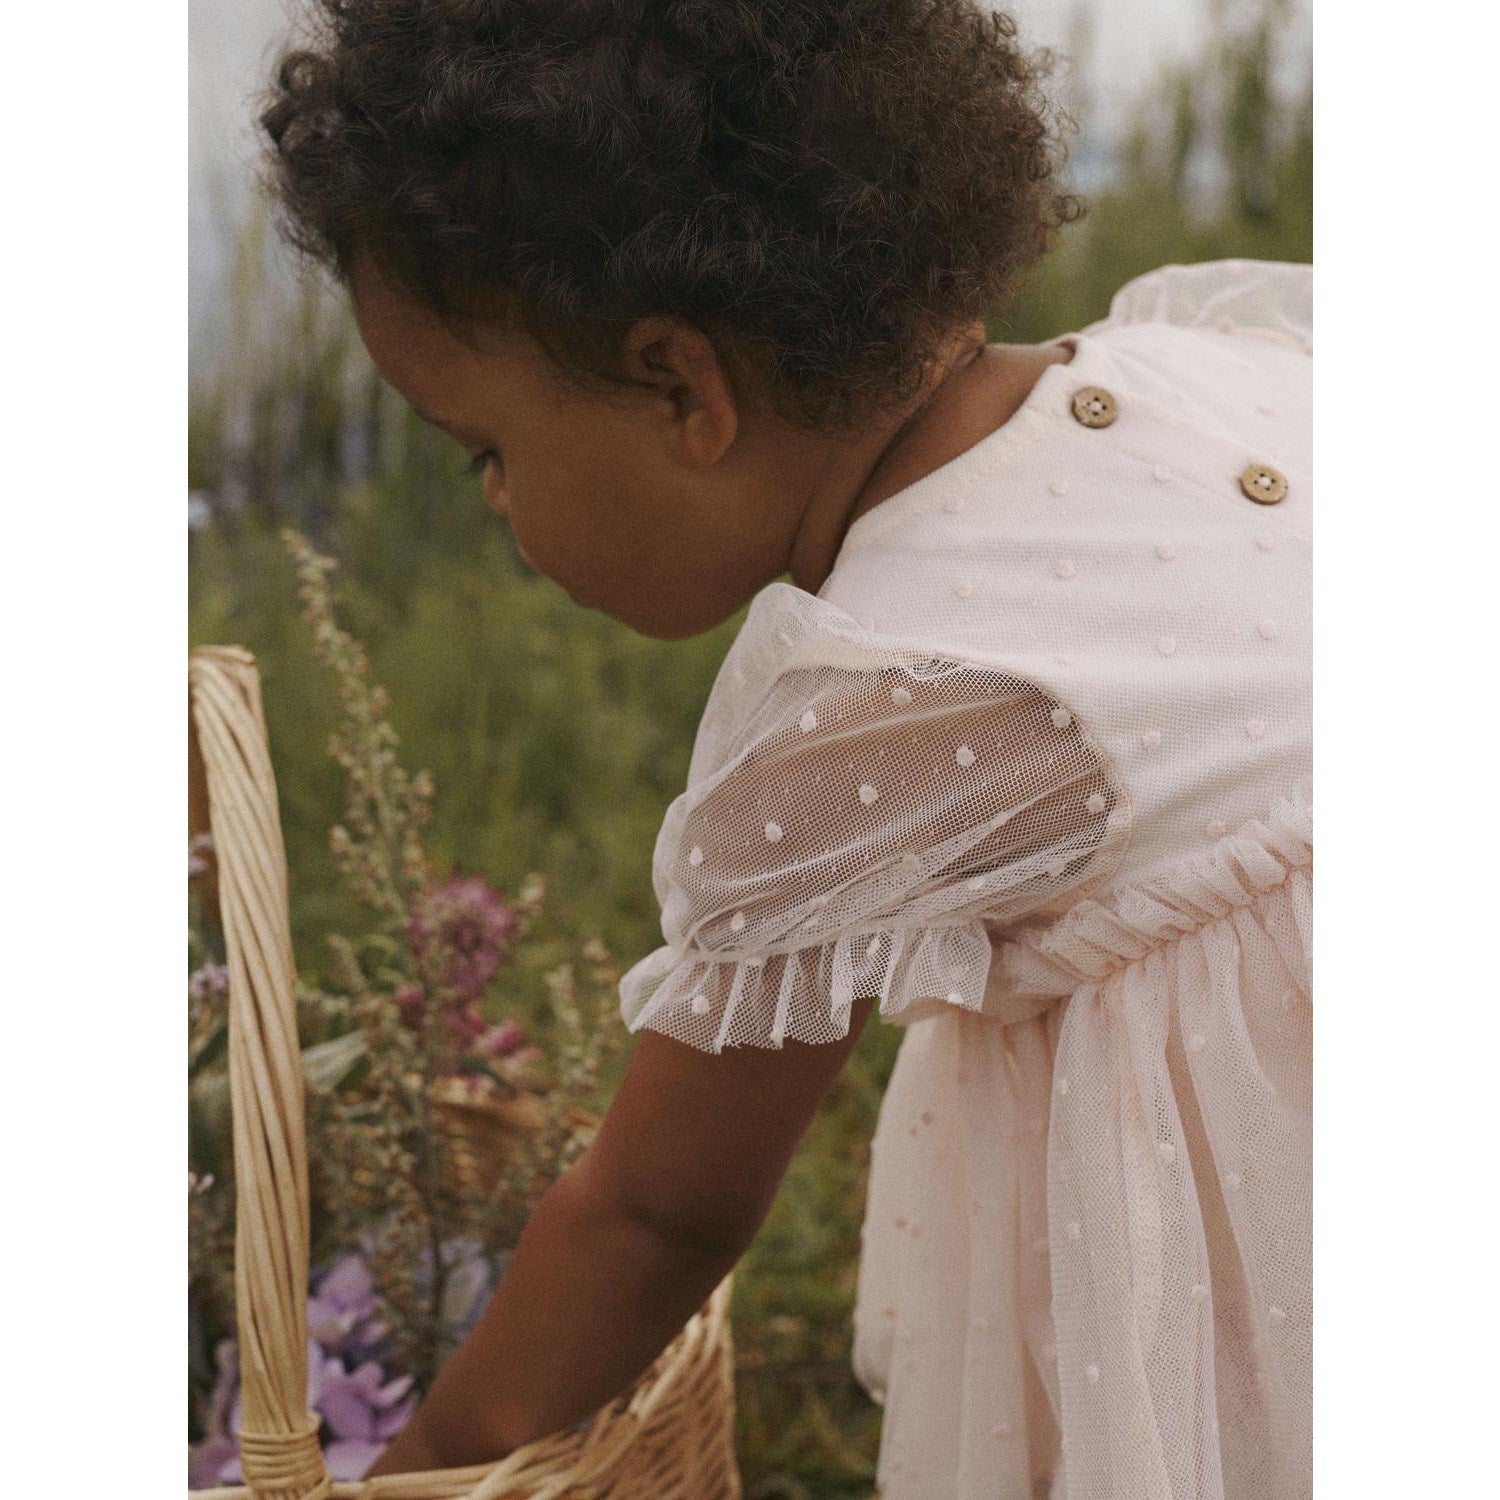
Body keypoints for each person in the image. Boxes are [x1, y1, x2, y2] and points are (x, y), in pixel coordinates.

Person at [256, 3, 1311, 1495]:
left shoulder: (891, 704)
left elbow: (655, 1213)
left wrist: (424, 1464)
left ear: (683, 389)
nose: (493, 503)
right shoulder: (1217, 358)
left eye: (487, 448)